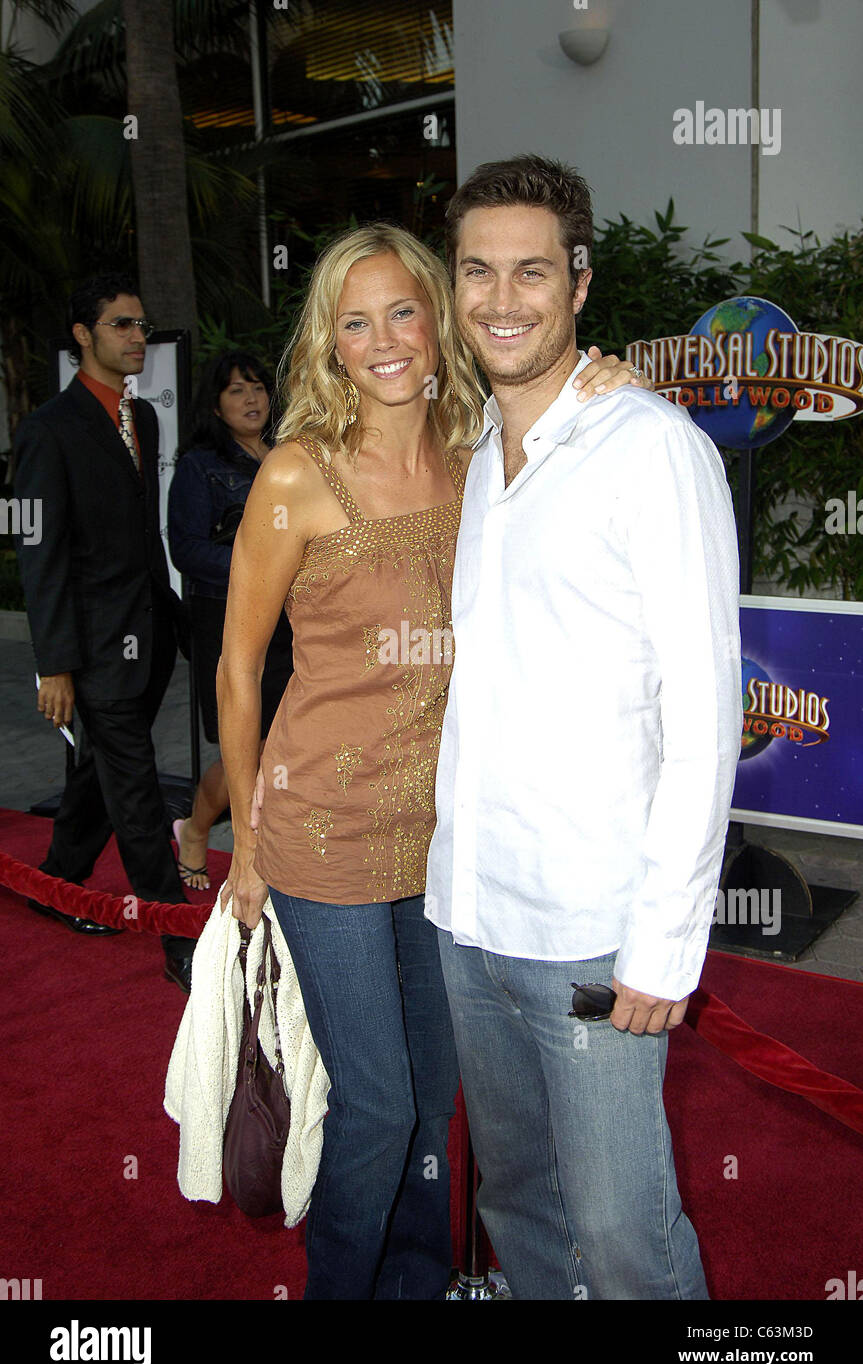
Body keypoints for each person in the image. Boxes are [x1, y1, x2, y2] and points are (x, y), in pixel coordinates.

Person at [216, 221, 648, 1300]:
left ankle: (414, 1285)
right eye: (353, 321)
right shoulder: (295, 474)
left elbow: (577, 431)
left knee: (435, 1097)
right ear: (328, 341)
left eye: (402, 310)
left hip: (451, 840)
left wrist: (613, 378)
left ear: (438, 317)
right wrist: (244, 845)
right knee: (377, 1102)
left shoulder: (481, 456)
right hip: (322, 834)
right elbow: (234, 666)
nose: (383, 340)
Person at [425, 155, 742, 1300]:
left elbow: (707, 717)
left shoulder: (652, 450)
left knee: (621, 1236)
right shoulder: (473, 463)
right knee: (517, 1205)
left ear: (579, 283)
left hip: (594, 936)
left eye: (530, 272)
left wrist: (664, 943)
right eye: (476, 271)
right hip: (468, 913)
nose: (500, 299)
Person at [13, 271, 197, 991]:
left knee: (105, 769)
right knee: (135, 779)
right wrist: (53, 665)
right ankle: (170, 924)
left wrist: (170, 616)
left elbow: (140, 534)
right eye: (122, 325)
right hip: (89, 645)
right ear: (82, 335)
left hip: (146, 631)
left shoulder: (142, 419)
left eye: (142, 325)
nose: (138, 338)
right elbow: (41, 556)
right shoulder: (47, 431)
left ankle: (58, 875)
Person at [167, 351, 294, 890]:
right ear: (216, 406)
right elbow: (189, 551)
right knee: (248, 747)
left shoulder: (290, 455)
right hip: (225, 619)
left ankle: (276, 849)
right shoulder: (199, 465)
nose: (252, 399)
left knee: (285, 742)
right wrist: (261, 565)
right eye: (237, 390)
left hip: (291, 623)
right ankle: (197, 829)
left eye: (259, 387)